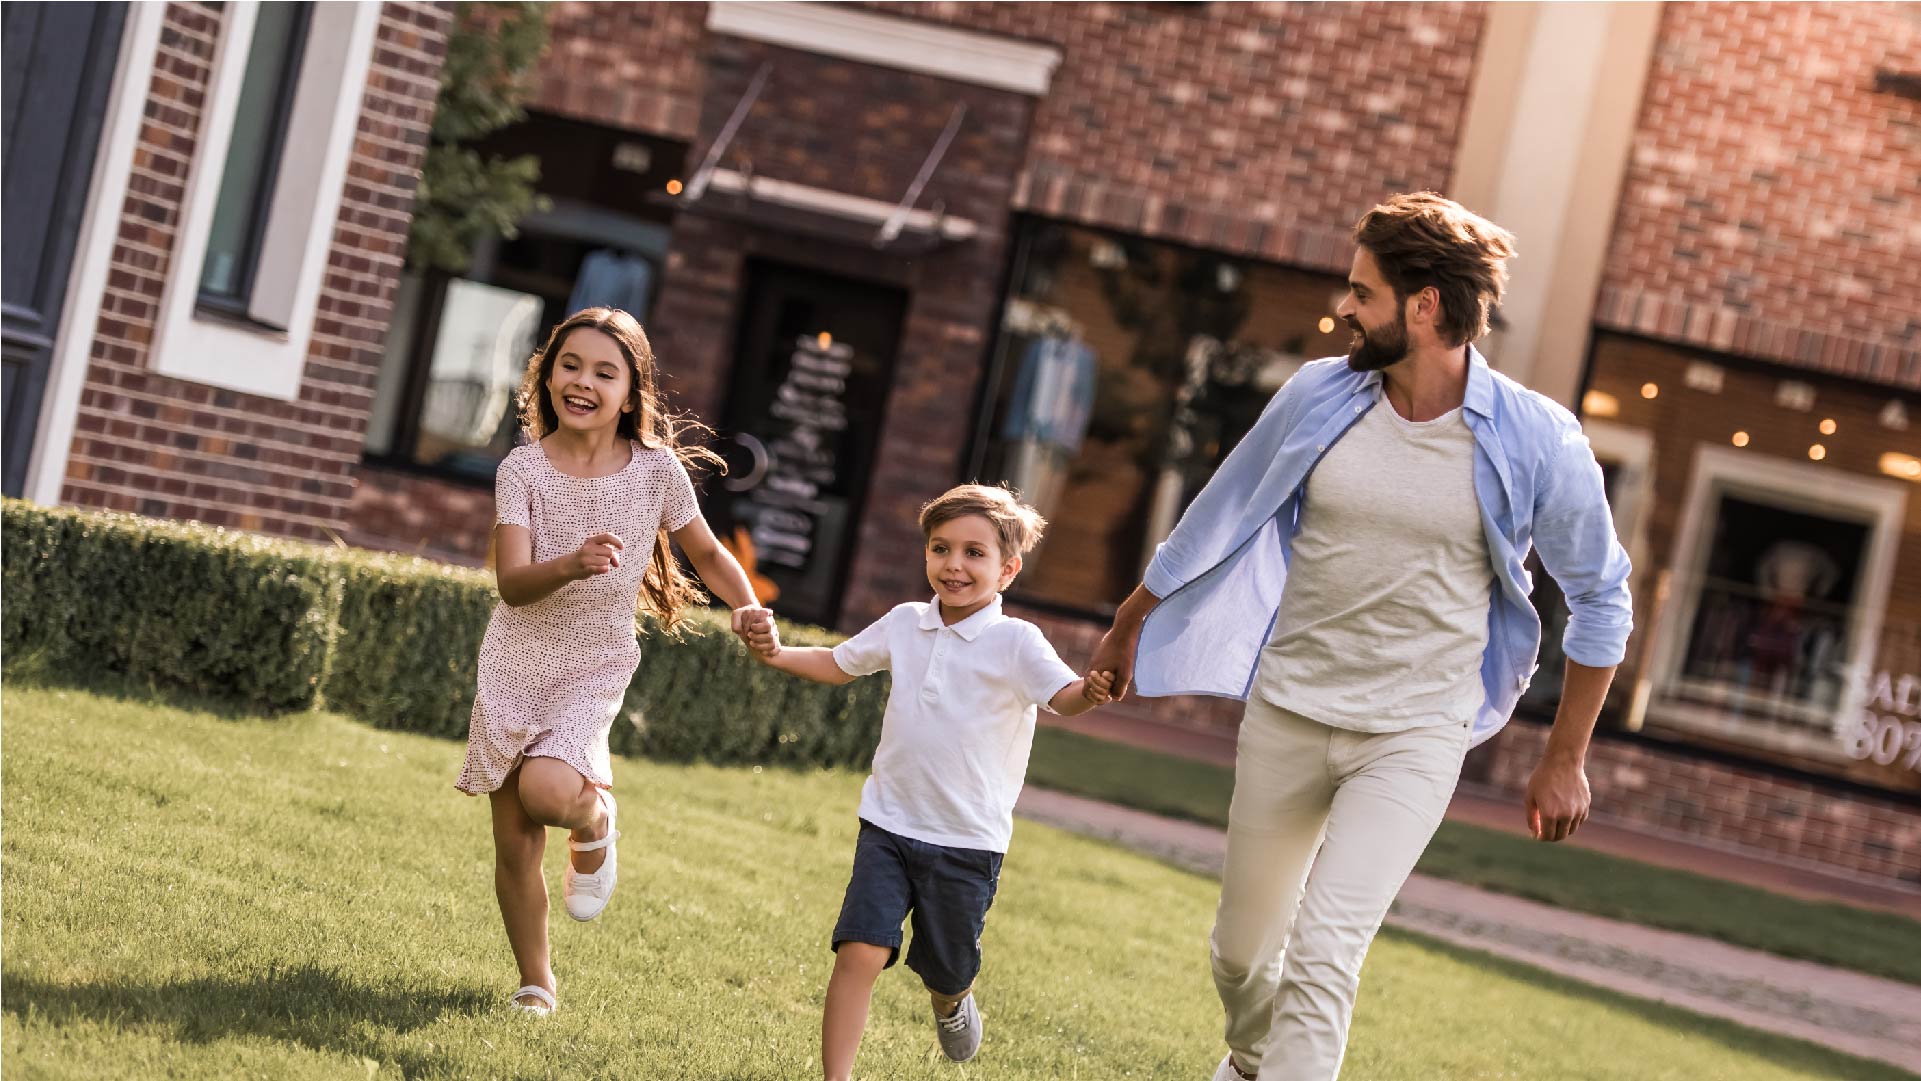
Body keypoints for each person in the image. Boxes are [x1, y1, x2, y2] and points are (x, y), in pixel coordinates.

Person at [1084, 193, 1634, 1081]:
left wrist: (1564, 754)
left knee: (1324, 954)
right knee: (1237, 952)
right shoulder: (1318, 395)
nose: (1345, 309)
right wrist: (1126, 622)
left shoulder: (1537, 438)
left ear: (1423, 306)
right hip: (1291, 706)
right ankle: (1255, 1059)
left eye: (1361, 293)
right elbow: (1216, 512)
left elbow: (1601, 598)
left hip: (1415, 731)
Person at [454, 307, 769, 1018]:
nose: (583, 382)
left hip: (591, 665)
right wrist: (569, 563)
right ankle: (537, 982)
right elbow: (511, 581)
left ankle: (595, 819)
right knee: (514, 844)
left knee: (547, 791)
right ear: (546, 374)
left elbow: (710, 554)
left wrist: (747, 606)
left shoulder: (655, 471)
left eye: (604, 372)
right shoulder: (522, 469)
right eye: (570, 365)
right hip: (514, 658)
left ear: (632, 392)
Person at [740, 484, 1114, 1079]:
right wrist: (778, 653)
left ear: (1008, 569)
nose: (954, 565)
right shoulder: (906, 622)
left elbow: (1063, 697)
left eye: (974, 553)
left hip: (967, 841)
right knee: (859, 950)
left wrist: (1089, 693)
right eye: (941, 549)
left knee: (946, 966)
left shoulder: (1015, 641)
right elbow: (840, 665)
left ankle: (951, 999)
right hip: (888, 823)